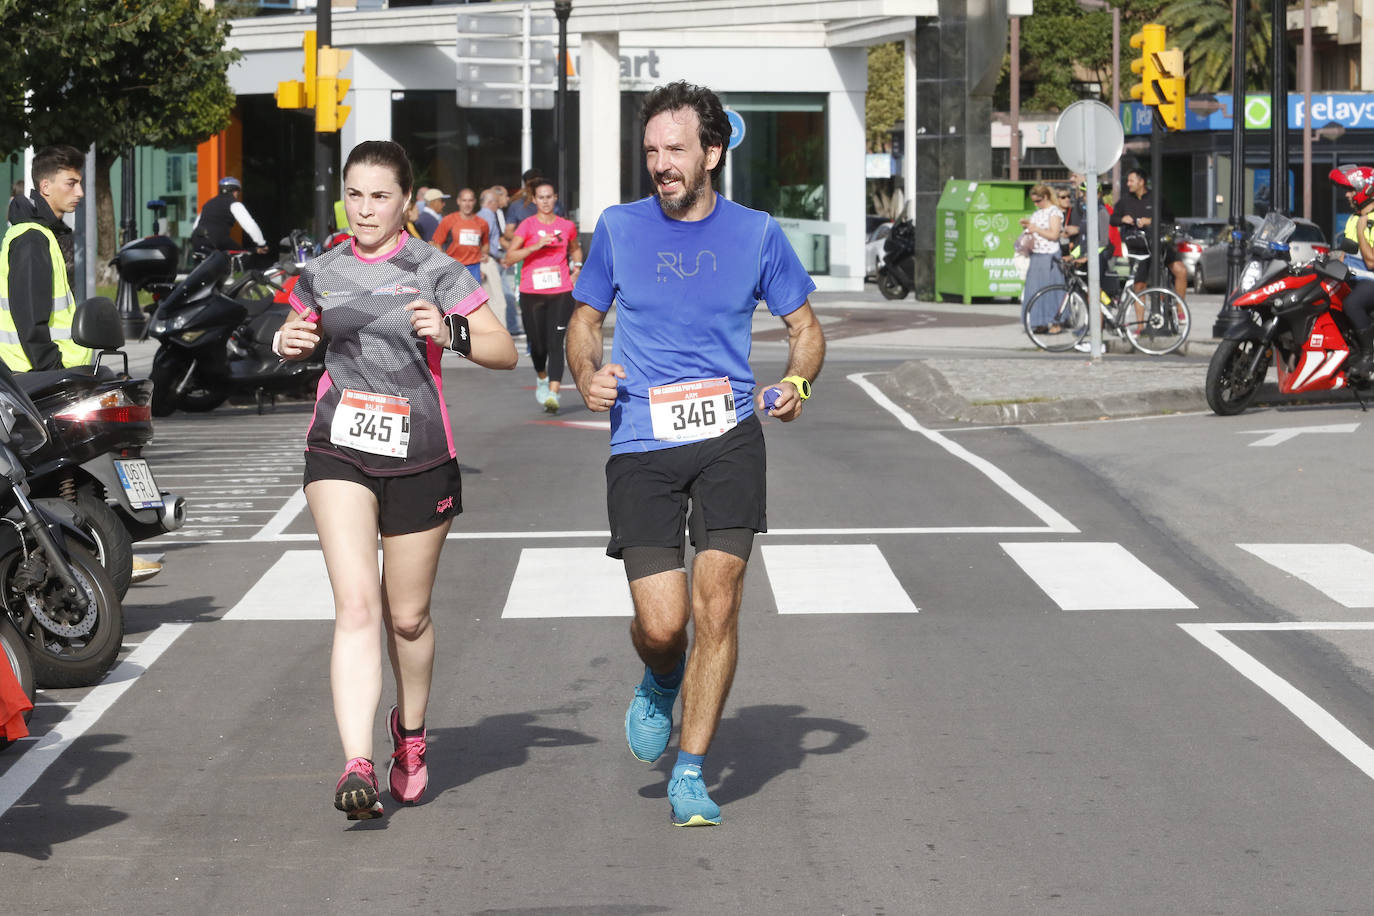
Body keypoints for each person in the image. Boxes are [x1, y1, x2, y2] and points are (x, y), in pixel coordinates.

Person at [566, 80, 825, 827]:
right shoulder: (618, 227)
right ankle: (659, 677)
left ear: (713, 152)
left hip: (728, 438)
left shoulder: (757, 233)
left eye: (675, 149)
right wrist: (587, 373)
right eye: (651, 151)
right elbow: (584, 320)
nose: (661, 164)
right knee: (663, 621)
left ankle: (689, 768)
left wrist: (797, 382)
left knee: (720, 605)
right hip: (642, 439)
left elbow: (805, 329)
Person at [274, 140, 517, 821]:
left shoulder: (435, 267)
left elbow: (503, 350)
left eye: (380, 195)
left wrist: (450, 332)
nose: (365, 208)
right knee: (357, 606)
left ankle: (409, 733)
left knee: (406, 618)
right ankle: (356, 764)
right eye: (355, 194)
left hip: (421, 455)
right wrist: (286, 340)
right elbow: (296, 328)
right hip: (339, 449)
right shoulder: (322, 269)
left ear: (407, 201)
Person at [0, 145, 93, 372]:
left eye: (79, 183)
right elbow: (30, 321)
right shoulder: (32, 238)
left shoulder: (43, 233)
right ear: (45, 186)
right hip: (38, 376)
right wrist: (54, 369)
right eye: (71, 183)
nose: (79, 192)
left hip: (39, 373)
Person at [504, 179, 581, 413]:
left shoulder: (566, 226)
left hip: (561, 291)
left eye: (550, 197)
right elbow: (510, 257)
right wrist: (535, 247)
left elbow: (575, 247)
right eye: (541, 197)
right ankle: (542, 377)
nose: (546, 201)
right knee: (538, 346)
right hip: (532, 292)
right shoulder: (527, 226)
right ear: (534, 200)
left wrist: (577, 264)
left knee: (556, 343)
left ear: (555, 198)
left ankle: (554, 394)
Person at [1110, 168, 1187, 300]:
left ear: (1141, 182)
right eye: (1127, 180)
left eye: (1131, 180)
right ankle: (1140, 321)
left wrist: (1151, 221)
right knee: (1139, 285)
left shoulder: (1156, 198)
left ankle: (1180, 311)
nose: (1128, 184)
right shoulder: (1125, 200)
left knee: (1181, 271)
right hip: (1139, 248)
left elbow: (1169, 219)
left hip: (1160, 244)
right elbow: (1113, 219)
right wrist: (1123, 219)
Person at [1330, 165, 1374, 375]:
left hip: (1371, 280)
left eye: (1350, 190)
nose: (1346, 195)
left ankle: (1368, 355)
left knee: (1352, 304)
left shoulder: (1368, 220)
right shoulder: (1355, 217)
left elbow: (1371, 261)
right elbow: (1345, 254)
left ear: (1364, 189)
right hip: (1356, 279)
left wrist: (1362, 230)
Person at [1020, 183, 1065, 334]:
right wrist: (1027, 227)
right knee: (1034, 290)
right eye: (1034, 201)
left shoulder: (1054, 212)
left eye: (1038, 201)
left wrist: (1036, 229)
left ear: (1045, 197)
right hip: (1036, 254)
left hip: (1049, 255)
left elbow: (1054, 235)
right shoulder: (1037, 213)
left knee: (1051, 290)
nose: (1036, 204)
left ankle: (1055, 321)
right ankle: (1039, 321)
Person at [478, 186, 522, 338]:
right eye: (496, 201)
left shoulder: (485, 215)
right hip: (487, 260)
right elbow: (483, 240)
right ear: (490, 202)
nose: (498, 204)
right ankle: (500, 334)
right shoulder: (488, 216)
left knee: (494, 298)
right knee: (498, 300)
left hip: (491, 258)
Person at [190, 176, 269, 257]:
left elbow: (195, 226)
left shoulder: (209, 203)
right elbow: (250, 225)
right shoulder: (234, 203)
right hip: (215, 241)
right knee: (242, 256)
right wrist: (261, 244)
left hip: (197, 240)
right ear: (235, 192)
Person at [430, 187, 488, 284]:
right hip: (454, 267)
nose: (467, 204)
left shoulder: (482, 223)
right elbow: (435, 242)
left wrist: (484, 255)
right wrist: (443, 260)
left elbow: (485, 244)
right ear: (458, 201)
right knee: (455, 298)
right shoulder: (448, 221)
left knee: (474, 299)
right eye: (464, 200)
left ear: (474, 202)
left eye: (470, 200)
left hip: (475, 268)